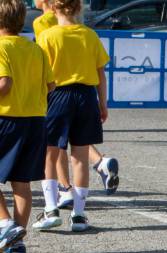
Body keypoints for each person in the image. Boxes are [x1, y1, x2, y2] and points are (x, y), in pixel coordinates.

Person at [33, 0, 111, 233]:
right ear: (78, 9)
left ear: (53, 8)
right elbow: (101, 74)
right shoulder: (89, 35)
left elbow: (42, 76)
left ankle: (51, 209)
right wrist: (103, 103)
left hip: (57, 94)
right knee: (79, 156)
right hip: (86, 96)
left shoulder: (47, 36)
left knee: (49, 153)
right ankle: (78, 214)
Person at [0, 0, 55, 253]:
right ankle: (17, 246)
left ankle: (4, 225)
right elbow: (51, 85)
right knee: (22, 183)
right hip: (35, 120)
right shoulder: (36, 48)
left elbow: (4, 83)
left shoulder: (1, 46)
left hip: (6, 118)